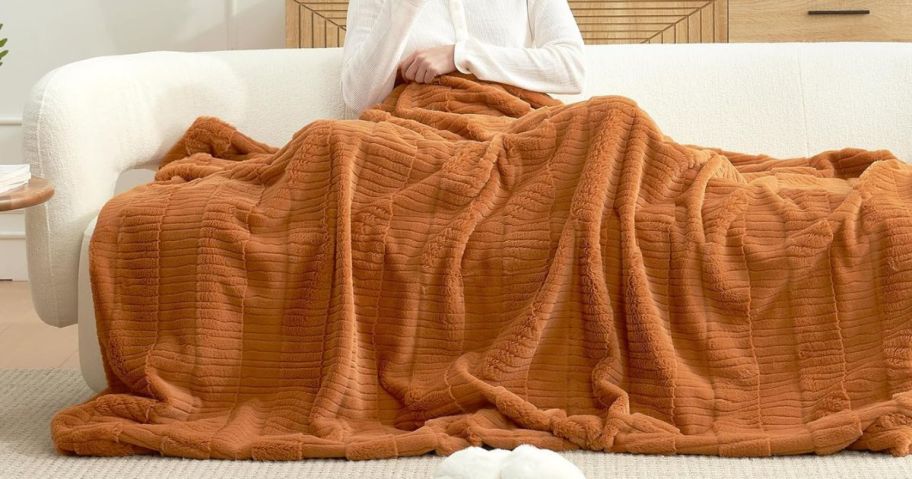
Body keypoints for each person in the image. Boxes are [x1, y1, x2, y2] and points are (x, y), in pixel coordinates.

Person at [341, 0, 587, 117]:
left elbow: (571, 68)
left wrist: (460, 54)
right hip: (421, 126)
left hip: (514, 117)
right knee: (325, 138)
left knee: (619, 115)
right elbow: (359, 98)